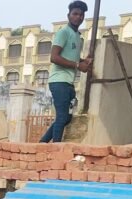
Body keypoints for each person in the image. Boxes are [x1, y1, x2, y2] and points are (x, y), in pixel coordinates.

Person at [39, 1, 93, 143]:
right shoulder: (63, 32)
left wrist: (83, 61)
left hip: (68, 83)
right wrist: (78, 65)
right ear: (68, 15)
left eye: (81, 15)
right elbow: (54, 57)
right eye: (75, 14)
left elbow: (72, 57)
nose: (78, 17)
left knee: (67, 117)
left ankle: (42, 143)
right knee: (62, 117)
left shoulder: (77, 36)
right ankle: (56, 148)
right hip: (59, 81)